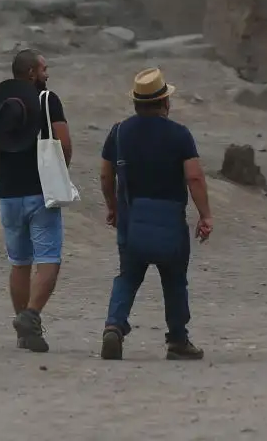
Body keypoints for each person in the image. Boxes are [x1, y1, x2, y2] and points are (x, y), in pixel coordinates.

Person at [98, 67, 212, 361]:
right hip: (170, 220)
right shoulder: (179, 134)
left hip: (131, 219)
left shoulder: (119, 132)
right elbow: (194, 177)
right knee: (174, 281)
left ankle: (114, 326)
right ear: (165, 102)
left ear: (136, 102)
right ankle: (177, 340)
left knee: (128, 276)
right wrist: (205, 215)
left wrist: (112, 206)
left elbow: (106, 174)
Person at [0, 48, 72, 353]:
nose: (47, 73)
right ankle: (30, 316)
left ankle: (24, 332)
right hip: (41, 192)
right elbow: (64, 144)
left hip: (8, 194)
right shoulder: (47, 100)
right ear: (31, 73)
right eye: (44, 69)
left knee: (19, 263)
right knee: (48, 260)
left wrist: (7, 176)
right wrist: (56, 174)